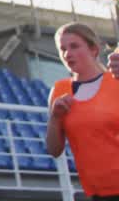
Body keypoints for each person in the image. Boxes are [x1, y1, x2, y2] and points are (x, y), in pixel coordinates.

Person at [46, 22, 119, 200]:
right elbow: (54, 150)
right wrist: (55, 118)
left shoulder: (116, 81)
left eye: (74, 46)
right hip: (96, 193)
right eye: (62, 49)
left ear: (94, 49)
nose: (67, 54)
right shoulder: (59, 90)